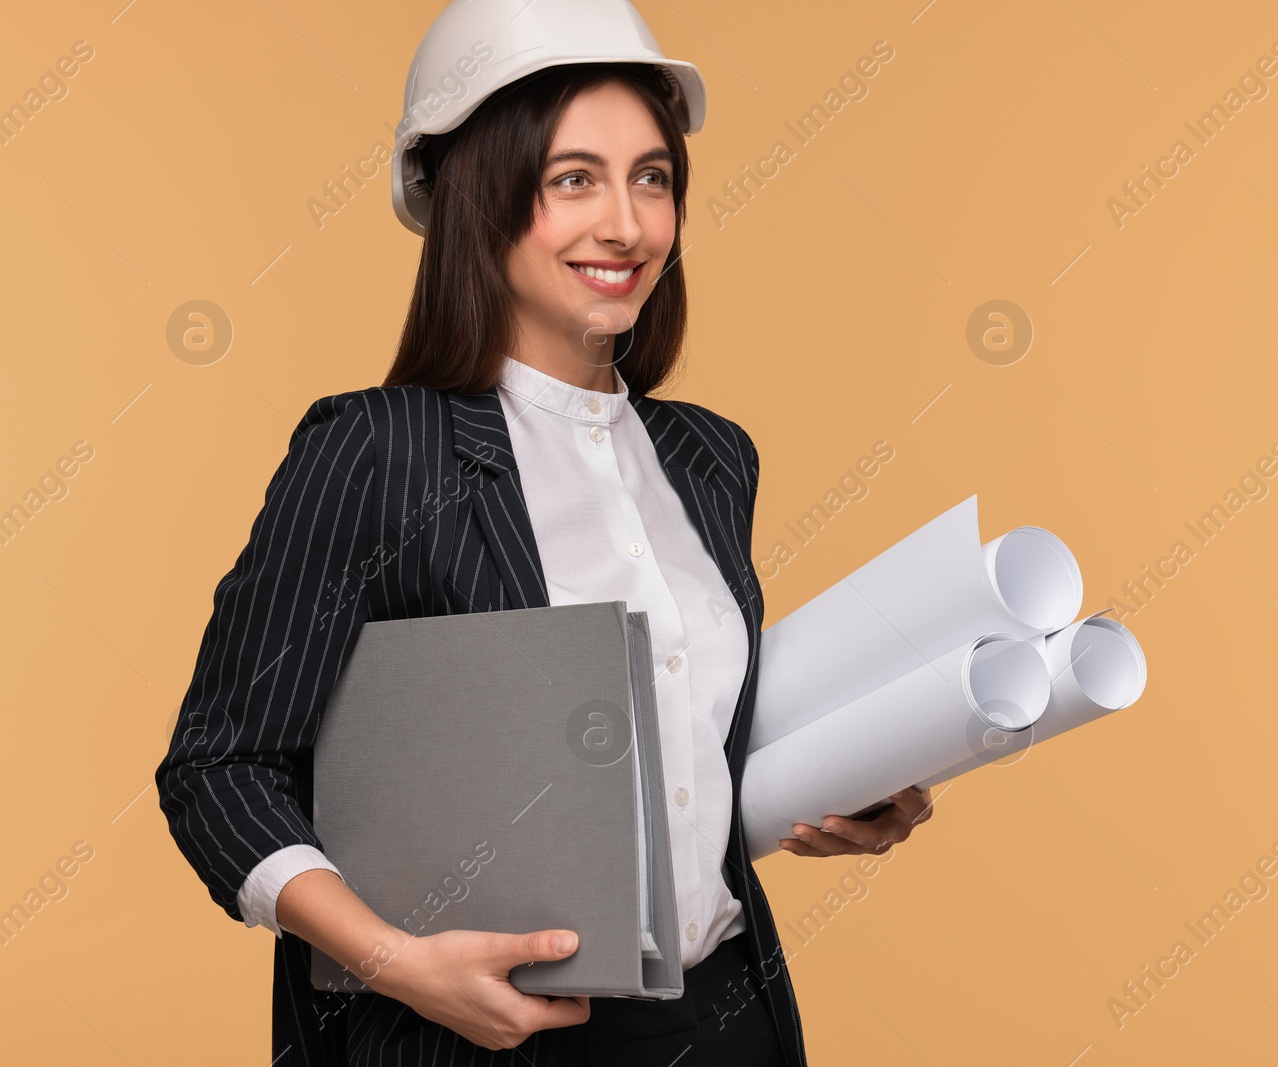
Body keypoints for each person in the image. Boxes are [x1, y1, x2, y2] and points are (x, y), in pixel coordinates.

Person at [153, 2, 933, 1065]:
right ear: (481, 197)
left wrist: (853, 781)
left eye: (651, 177)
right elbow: (219, 767)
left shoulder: (711, 457)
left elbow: (674, 758)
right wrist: (395, 961)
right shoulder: (382, 450)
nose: (626, 224)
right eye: (574, 179)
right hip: (480, 1035)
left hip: (726, 1019)